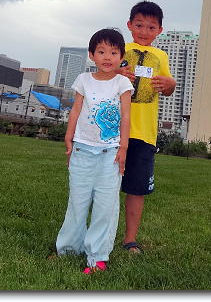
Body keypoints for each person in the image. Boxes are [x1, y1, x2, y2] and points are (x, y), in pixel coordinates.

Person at [56, 28, 133, 274]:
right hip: (82, 150)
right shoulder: (83, 80)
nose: (107, 57)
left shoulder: (122, 83)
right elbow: (76, 110)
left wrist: (123, 147)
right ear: (91, 55)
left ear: (121, 56)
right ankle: (68, 249)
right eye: (101, 51)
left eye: (113, 52)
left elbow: (126, 116)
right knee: (77, 203)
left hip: (110, 154)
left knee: (104, 207)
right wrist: (69, 137)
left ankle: (97, 256)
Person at [118, 1, 176, 254]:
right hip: (114, 130)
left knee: (137, 188)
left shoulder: (161, 56)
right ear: (129, 25)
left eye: (151, 27)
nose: (144, 31)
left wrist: (170, 84)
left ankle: (130, 239)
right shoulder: (119, 49)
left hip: (144, 133)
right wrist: (118, 74)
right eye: (139, 25)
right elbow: (104, 75)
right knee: (105, 184)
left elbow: (168, 87)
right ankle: (101, 230)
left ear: (159, 30)